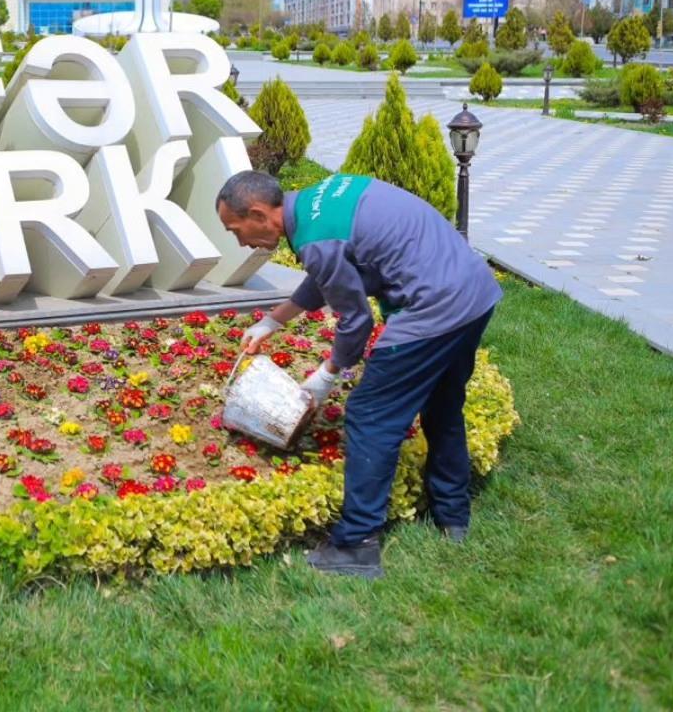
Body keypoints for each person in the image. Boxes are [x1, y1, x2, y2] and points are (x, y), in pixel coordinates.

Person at [215, 170, 501, 579]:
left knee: (371, 416)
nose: (241, 243)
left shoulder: (316, 240)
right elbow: (330, 273)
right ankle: (452, 516)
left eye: (235, 230)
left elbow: (356, 320)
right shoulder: (318, 202)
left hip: (432, 309)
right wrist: (273, 321)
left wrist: (327, 374)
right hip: (473, 294)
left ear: (259, 214)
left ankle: (356, 546)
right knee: (441, 404)